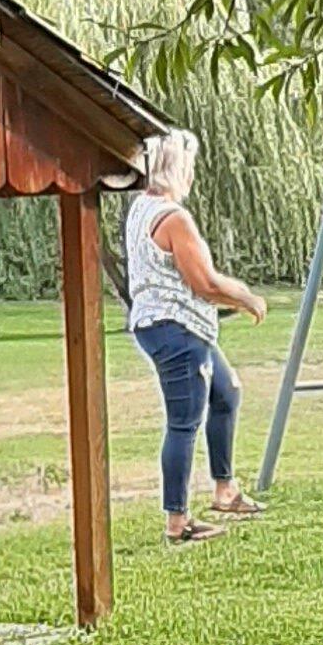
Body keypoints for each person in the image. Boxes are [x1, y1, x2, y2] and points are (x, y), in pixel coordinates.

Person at [122, 130, 265, 543]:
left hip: (168, 325)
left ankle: (225, 490)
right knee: (183, 421)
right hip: (177, 329)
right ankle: (177, 522)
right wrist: (246, 298)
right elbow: (203, 282)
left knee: (227, 392)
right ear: (180, 168)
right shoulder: (173, 218)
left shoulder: (141, 209)